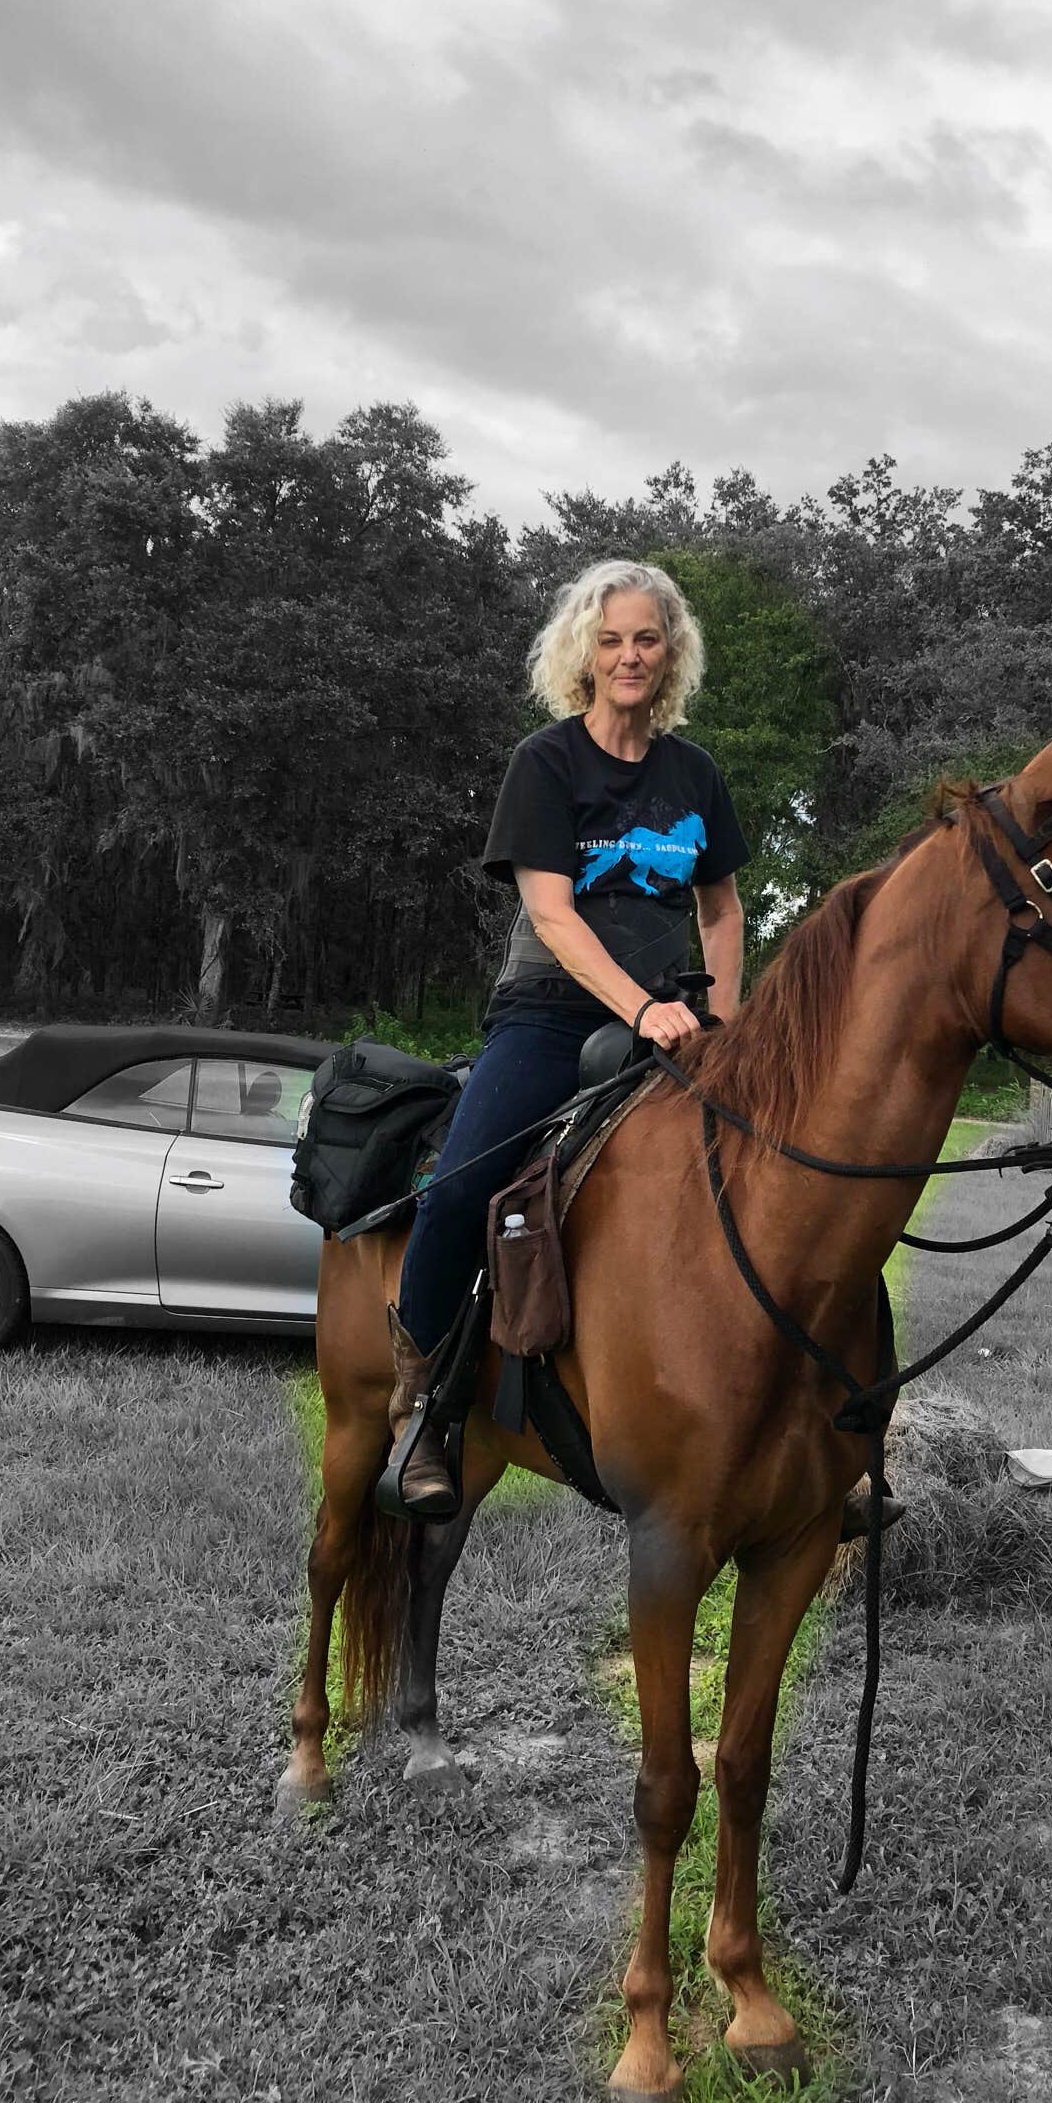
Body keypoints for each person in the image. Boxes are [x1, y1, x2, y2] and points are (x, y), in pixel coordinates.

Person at [386, 558, 749, 1515]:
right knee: (461, 1187)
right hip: (552, 1015)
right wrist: (637, 1007)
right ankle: (421, 1408)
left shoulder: (693, 774)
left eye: (646, 638)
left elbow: (722, 908)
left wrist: (725, 1020)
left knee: (773, 1179)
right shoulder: (546, 763)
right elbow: (551, 915)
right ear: (583, 653)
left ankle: (814, 1423)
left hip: (674, 1020)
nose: (629, 656)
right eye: (611, 639)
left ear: (669, 653)